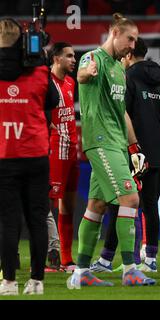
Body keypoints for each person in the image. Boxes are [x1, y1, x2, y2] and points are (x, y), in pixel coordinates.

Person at [67, 13, 155, 288]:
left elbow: (123, 113)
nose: (132, 45)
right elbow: (82, 74)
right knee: (130, 200)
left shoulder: (120, 69)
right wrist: (85, 74)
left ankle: (80, 273)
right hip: (101, 140)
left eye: (135, 40)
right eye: (130, 38)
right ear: (115, 33)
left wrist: (134, 147)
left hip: (117, 142)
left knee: (97, 206)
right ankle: (129, 268)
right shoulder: (92, 58)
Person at [90, 37, 160, 273]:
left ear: (127, 55)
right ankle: (151, 259)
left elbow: (122, 114)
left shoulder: (127, 77)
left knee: (119, 205)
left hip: (133, 151)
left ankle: (107, 260)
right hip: (159, 151)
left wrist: (131, 146)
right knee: (151, 205)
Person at [0, 18, 59, 295]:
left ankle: (9, 281)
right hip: (35, 153)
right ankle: (36, 281)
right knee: (38, 218)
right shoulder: (40, 72)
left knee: (8, 221)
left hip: (4, 154)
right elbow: (53, 103)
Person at [46, 42, 79, 272]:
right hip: (53, 149)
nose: (74, 60)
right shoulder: (44, 82)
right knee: (47, 204)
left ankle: (66, 259)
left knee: (68, 204)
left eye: (74, 56)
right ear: (56, 58)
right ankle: (49, 254)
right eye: (69, 56)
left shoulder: (71, 82)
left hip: (72, 148)